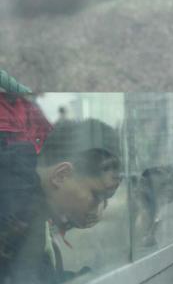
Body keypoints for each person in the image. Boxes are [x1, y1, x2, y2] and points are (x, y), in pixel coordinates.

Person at [0, 94, 121, 284]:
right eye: (96, 196)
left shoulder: (27, 203)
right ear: (61, 175)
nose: (98, 210)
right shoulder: (15, 211)